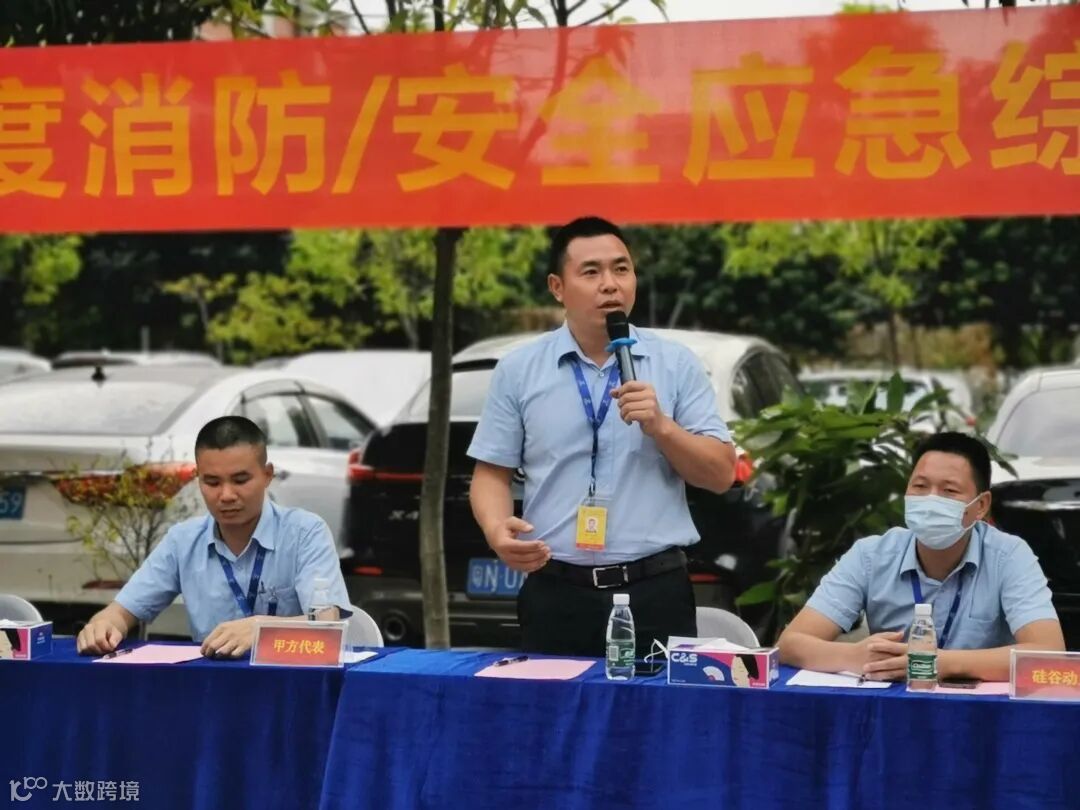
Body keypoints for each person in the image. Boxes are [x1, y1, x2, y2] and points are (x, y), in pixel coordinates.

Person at [468, 216, 736, 657]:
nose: (610, 284)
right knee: (552, 702)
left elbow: (721, 474)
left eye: (621, 269)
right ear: (557, 287)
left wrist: (662, 427)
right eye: (591, 272)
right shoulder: (519, 370)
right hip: (555, 591)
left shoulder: (675, 364)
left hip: (654, 592)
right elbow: (491, 474)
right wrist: (497, 529)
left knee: (652, 704)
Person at [778, 432, 1064, 682]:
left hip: (980, 715)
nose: (930, 500)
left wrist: (940, 663)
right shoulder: (871, 556)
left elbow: (1048, 653)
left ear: (981, 505)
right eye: (920, 486)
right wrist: (853, 656)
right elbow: (790, 644)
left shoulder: (1009, 557)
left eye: (949, 491)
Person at [76, 416, 351, 658]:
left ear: (267, 475)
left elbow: (327, 623)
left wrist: (260, 629)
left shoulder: (305, 532)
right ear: (198, 479)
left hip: (291, 683)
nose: (226, 495)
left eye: (240, 480)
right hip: (211, 684)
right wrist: (103, 626)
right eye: (212, 482)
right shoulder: (183, 541)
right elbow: (121, 612)